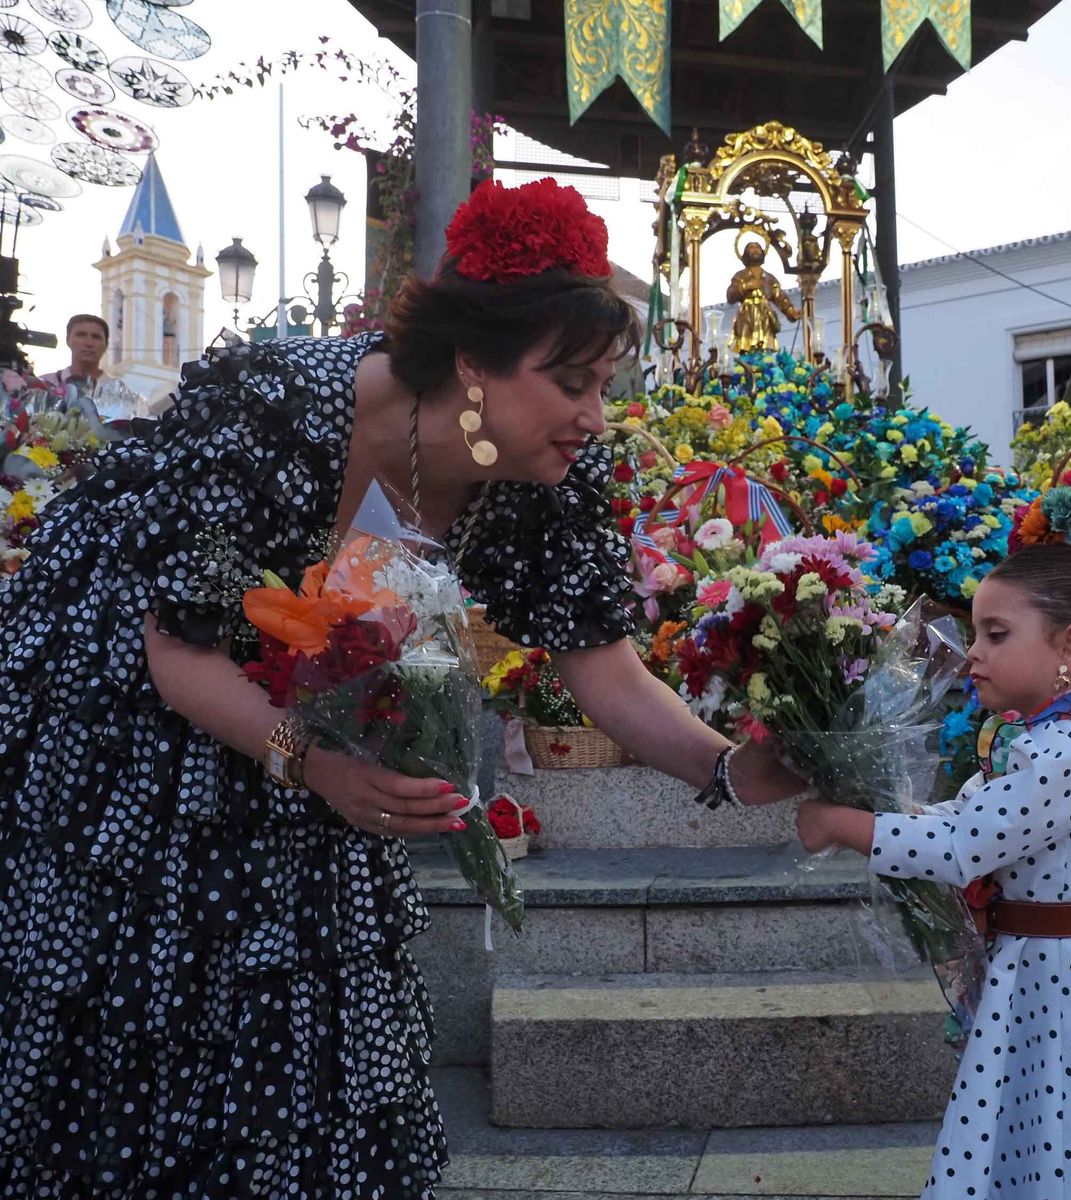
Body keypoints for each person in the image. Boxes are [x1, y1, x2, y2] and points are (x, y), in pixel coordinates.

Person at [0, 177, 803, 1197]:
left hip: (315, 745)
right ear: (471, 360)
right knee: (143, 1016)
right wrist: (313, 765)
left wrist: (731, 772)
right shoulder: (272, 406)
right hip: (131, 726)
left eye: (604, 385)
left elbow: (598, 660)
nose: (595, 417)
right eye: (572, 383)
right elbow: (177, 652)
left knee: (312, 1034)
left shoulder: (537, 472)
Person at [796, 542, 1071, 1200]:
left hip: (1068, 981)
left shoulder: (1069, 750)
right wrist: (889, 811)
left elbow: (963, 847)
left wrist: (843, 824)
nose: (972, 653)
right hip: (1039, 966)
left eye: (995, 634)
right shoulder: (1038, 737)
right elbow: (967, 815)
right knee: (1039, 1130)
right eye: (976, 633)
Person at [40, 312, 148, 423]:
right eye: (81, 335)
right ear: (68, 340)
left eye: (96, 337)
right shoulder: (45, 385)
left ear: (106, 345)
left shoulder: (120, 395)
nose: (89, 343)